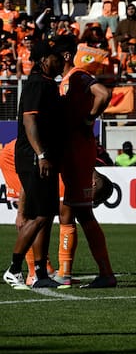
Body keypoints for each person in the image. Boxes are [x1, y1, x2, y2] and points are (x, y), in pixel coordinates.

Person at [54, 37, 116, 288]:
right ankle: (99, 273)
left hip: (77, 152)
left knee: (70, 211)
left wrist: (90, 119)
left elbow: (103, 93)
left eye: (55, 56)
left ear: (66, 56)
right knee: (77, 212)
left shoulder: (78, 76)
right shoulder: (69, 80)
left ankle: (66, 272)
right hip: (74, 152)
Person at [3, 40, 65, 289]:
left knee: (47, 215)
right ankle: (14, 269)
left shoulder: (48, 85)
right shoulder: (37, 85)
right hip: (33, 158)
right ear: (43, 61)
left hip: (42, 158)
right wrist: (41, 155)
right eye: (54, 57)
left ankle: (40, 272)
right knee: (39, 216)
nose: (59, 60)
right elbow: (30, 122)